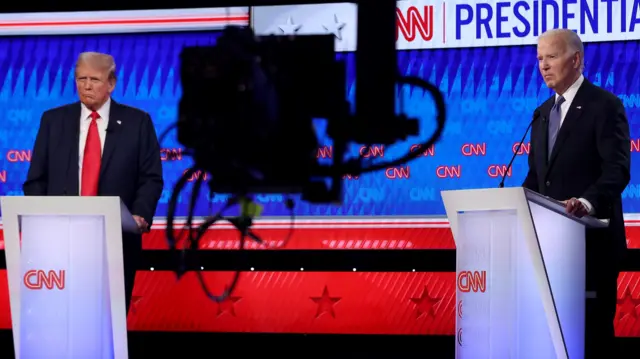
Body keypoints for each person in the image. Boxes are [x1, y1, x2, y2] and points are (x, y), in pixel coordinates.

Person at [23, 52, 164, 315]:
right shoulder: (53, 120)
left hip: (116, 241)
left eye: (95, 79)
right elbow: (35, 180)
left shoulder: (137, 122)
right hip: (60, 241)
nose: (86, 86)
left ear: (111, 83)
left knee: (108, 319)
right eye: (81, 79)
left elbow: (150, 177)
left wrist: (140, 214)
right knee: (59, 316)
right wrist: (38, 226)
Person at [523, 29, 630, 357]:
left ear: (576, 60)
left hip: (591, 248)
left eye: (551, 57)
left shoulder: (604, 106)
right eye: (540, 58)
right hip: (549, 251)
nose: (543, 65)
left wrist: (585, 202)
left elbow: (617, 169)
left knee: (591, 340)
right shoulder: (541, 114)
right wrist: (516, 204)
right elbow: (537, 178)